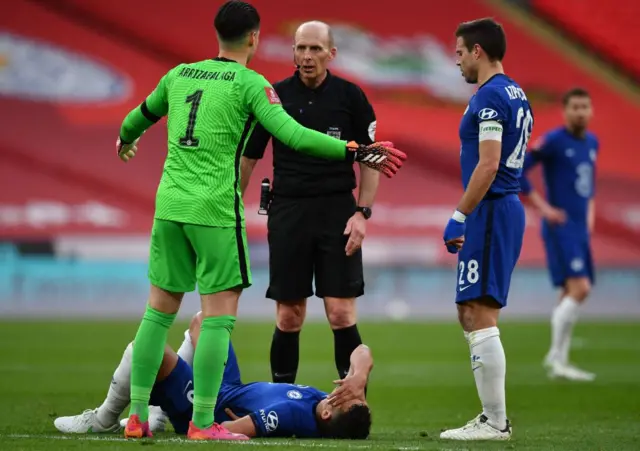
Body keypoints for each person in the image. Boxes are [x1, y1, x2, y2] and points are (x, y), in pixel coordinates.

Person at [115, 0, 404, 441]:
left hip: (169, 207)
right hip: (213, 211)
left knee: (157, 313)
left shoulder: (178, 74)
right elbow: (291, 135)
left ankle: (135, 417)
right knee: (216, 319)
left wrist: (126, 139)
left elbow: (139, 116)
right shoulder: (252, 84)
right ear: (254, 38)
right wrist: (351, 149)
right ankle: (203, 423)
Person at [241, 21, 379, 386]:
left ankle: (352, 398)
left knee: (340, 312)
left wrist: (362, 213)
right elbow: (249, 157)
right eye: (300, 48)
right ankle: (281, 398)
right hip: (288, 211)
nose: (306, 56)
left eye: (315, 49)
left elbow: (371, 158)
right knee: (289, 315)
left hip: (337, 211)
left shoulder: (351, 98)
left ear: (331, 54)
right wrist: (232, 205)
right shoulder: (273, 96)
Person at [53, 313, 373, 440]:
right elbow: (362, 351)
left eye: (352, 396)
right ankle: (158, 410)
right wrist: (359, 375)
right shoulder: (342, 404)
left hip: (210, 403)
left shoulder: (291, 414)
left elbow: (234, 430)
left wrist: (220, 424)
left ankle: (103, 418)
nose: (351, 391)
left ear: (330, 411)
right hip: (232, 387)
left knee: (143, 349)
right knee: (205, 321)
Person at [440, 18, 533, 441]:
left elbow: (490, 163)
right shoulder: (513, 91)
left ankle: (495, 422)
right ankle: (491, 418)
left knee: (480, 311)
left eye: (459, 52)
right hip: (494, 209)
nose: (456, 60)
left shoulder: (492, 98)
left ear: (477, 51)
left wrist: (460, 214)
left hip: (492, 210)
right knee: (469, 310)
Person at [519, 88, 598, 381]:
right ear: (565, 111)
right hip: (560, 225)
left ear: (591, 111)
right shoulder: (553, 141)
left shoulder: (592, 142)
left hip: (579, 226)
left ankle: (560, 360)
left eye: (584, 106)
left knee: (569, 290)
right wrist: (544, 208)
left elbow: (589, 186)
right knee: (581, 288)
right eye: (575, 106)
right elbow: (520, 171)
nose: (580, 112)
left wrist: (588, 219)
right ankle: (555, 356)